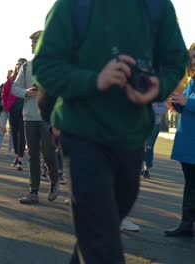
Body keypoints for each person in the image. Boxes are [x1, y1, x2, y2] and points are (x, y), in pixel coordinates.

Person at [33, 0, 187, 262]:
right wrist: (95, 80)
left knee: (98, 230)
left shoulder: (158, 7)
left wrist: (157, 86)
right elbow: (44, 67)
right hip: (81, 134)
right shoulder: (73, 6)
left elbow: (176, 63)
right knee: (101, 240)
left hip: (131, 138)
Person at [12, 31, 59, 204]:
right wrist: (26, 92)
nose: (32, 44)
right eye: (31, 41)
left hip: (47, 117)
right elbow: (14, 88)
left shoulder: (55, 64)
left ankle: (54, 180)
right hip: (29, 116)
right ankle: (33, 192)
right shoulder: (27, 66)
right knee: (32, 155)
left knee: (48, 152)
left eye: (35, 41)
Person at [165, 42, 195, 238]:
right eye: (191, 56)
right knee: (191, 184)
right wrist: (175, 101)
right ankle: (186, 225)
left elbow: (189, 102)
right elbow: (184, 104)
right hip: (188, 141)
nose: (193, 60)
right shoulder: (192, 81)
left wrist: (188, 102)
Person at [4, 58, 27, 171]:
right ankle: (17, 155)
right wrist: (7, 106)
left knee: (22, 134)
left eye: (21, 64)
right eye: (17, 64)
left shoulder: (27, 80)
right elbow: (4, 93)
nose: (19, 66)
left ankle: (20, 159)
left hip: (25, 110)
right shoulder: (11, 79)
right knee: (14, 133)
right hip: (13, 110)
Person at [141, 102, 168, 178]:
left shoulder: (159, 94)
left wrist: (152, 108)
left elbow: (165, 109)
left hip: (154, 125)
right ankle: (141, 167)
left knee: (149, 146)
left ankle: (147, 168)